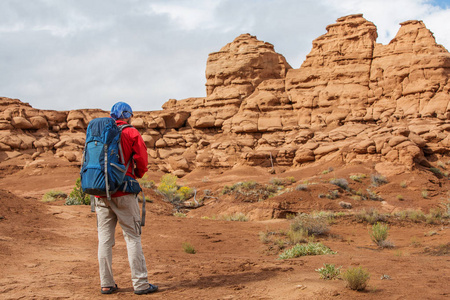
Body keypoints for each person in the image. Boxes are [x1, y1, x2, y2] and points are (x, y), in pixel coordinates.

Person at [95, 101, 158, 295]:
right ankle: (140, 284)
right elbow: (142, 161)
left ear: (112, 115)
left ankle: (106, 283)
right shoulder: (131, 132)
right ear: (128, 115)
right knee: (132, 237)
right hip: (124, 192)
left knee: (104, 240)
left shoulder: (99, 132)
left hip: (100, 192)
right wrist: (135, 175)